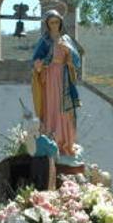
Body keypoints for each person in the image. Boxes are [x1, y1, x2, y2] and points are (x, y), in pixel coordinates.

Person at [32, 9, 82, 157]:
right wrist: (40, 64)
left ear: (60, 23)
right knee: (51, 106)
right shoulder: (45, 40)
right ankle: (51, 138)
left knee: (65, 110)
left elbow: (77, 60)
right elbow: (35, 59)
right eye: (51, 22)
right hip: (49, 77)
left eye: (57, 22)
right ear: (47, 24)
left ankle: (65, 141)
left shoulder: (66, 39)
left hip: (64, 77)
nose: (54, 25)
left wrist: (69, 52)